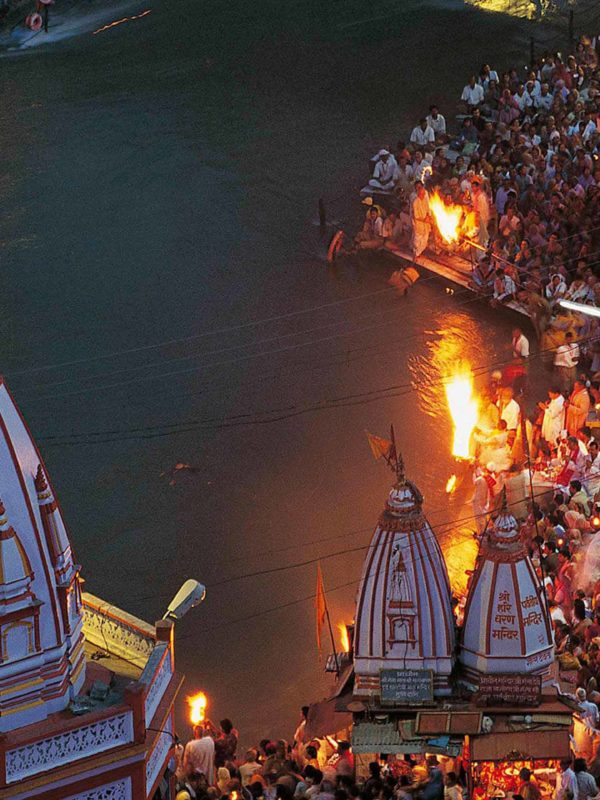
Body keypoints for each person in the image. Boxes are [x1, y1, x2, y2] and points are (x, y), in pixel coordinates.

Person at [540, 388, 565, 452]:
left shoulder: (560, 402)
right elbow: (551, 409)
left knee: (554, 444)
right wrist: (547, 406)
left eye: (550, 394)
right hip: (549, 424)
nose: (549, 396)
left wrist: (544, 408)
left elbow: (552, 415)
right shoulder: (554, 399)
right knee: (550, 444)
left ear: (556, 394)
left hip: (554, 426)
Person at [411, 181, 431, 260]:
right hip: (419, 224)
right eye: (422, 194)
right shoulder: (415, 202)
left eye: (424, 194)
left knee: (424, 241)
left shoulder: (425, 199)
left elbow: (428, 209)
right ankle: (415, 254)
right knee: (417, 240)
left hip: (426, 224)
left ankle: (418, 253)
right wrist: (424, 219)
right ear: (418, 194)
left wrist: (428, 216)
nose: (423, 195)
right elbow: (416, 216)